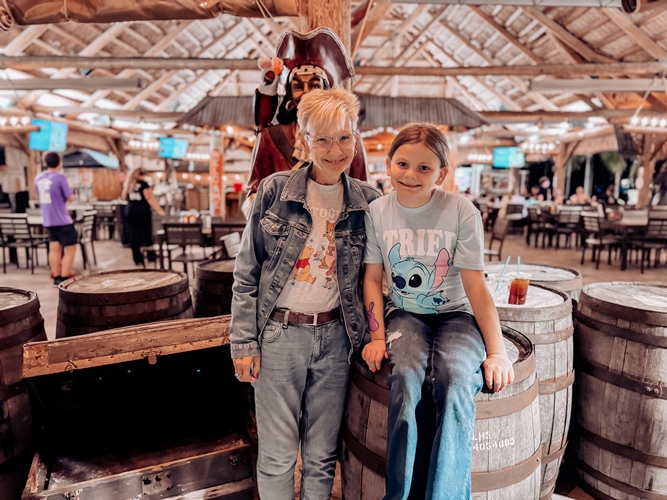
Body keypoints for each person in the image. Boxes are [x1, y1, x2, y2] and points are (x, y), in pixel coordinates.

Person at [230, 89, 380, 499]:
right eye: (323, 139)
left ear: (356, 136)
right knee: (277, 456)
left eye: (344, 138)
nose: (335, 150)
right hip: (279, 337)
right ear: (305, 138)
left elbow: (378, 277)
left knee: (322, 455)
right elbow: (246, 273)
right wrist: (244, 342)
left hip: (338, 340)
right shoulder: (274, 191)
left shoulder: (370, 202)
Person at [361, 123, 514, 500]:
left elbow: (476, 287)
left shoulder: (462, 212)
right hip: (405, 313)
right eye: (402, 164)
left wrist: (497, 352)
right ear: (389, 164)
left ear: (442, 174)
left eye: (424, 168)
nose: (410, 174)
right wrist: (377, 336)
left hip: (457, 315)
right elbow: (372, 279)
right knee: (406, 378)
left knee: (457, 379)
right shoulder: (377, 212)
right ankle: (399, 495)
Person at [243, 27, 368, 217]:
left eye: (314, 85)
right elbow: (255, 192)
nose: (307, 93)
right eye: (298, 86)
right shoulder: (270, 137)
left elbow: (363, 193)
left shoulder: (351, 141)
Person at [35, 152, 78, 286]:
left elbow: (39, 194)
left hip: (49, 220)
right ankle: (64, 277)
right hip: (63, 220)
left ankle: (56, 277)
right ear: (59, 163)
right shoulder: (60, 177)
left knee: (54, 248)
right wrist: (73, 193)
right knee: (70, 249)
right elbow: (70, 198)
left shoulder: (38, 178)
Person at [121, 168, 165, 266]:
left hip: (130, 211)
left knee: (133, 235)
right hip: (142, 211)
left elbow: (124, 197)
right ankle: (150, 256)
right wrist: (159, 210)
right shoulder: (144, 184)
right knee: (146, 233)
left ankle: (137, 258)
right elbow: (149, 198)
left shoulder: (129, 184)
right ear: (141, 175)